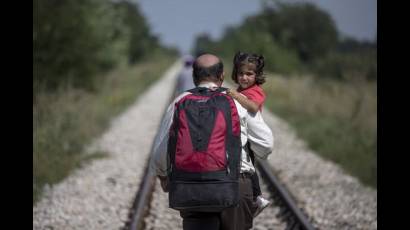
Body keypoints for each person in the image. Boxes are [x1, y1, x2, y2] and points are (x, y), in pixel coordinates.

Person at [151, 53, 274, 230]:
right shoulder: (238, 101)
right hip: (235, 186)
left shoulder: (179, 102)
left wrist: (163, 176)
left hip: (192, 189)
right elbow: (266, 145)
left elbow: (159, 155)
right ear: (222, 76)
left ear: (194, 77)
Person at [227, 51, 271, 217]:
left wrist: (236, 96)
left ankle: (257, 198)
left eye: (249, 74)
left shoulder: (256, 91)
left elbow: (252, 107)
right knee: (247, 165)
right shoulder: (242, 89)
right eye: (240, 73)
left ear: (257, 75)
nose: (244, 78)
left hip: (251, 135)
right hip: (243, 132)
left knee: (249, 168)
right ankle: (255, 197)